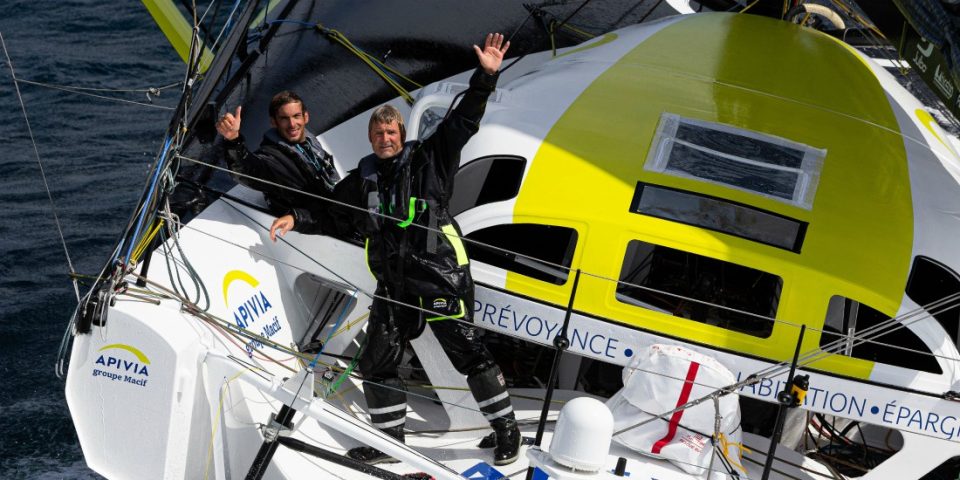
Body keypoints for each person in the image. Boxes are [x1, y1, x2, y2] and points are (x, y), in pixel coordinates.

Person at [271, 33, 520, 466]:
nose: (385, 138)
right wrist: (297, 218)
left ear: (402, 135)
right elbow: (332, 212)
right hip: (395, 284)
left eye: (391, 131)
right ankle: (390, 441)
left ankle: (506, 430)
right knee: (377, 357)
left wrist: (485, 76)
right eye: (378, 132)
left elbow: (463, 121)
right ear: (370, 140)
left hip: (439, 275)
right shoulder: (362, 178)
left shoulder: (430, 158)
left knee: (467, 352)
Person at [217, 91, 341, 235]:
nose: (292, 124)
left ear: (305, 117)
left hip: (338, 209)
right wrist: (233, 140)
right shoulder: (271, 158)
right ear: (274, 122)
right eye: (284, 119)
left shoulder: (309, 140)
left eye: (296, 116)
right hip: (316, 223)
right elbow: (246, 170)